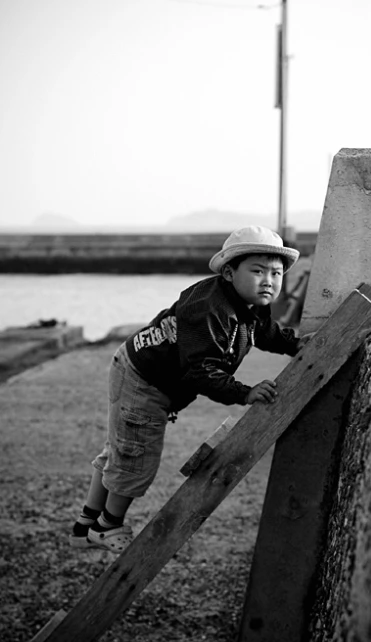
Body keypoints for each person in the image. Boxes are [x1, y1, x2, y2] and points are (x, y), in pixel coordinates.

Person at [70, 225, 311, 553]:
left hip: (137, 365)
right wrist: (244, 392)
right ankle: (107, 526)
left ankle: (85, 524)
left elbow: (265, 332)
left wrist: (294, 344)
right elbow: (200, 372)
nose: (268, 280)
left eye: (276, 273)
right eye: (257, 271)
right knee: (135, 455)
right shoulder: (209, 309)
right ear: (228, 272)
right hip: (144, 378)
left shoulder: (251, 304)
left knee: (121, 448)